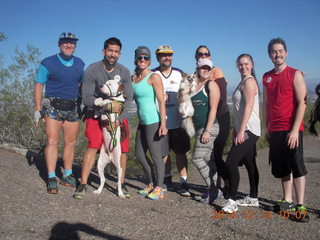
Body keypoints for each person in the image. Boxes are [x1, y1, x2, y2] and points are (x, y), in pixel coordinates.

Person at [73, 37, 133, 199]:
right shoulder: (93, 70)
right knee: (93, 145)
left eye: (116, 51)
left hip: (118, 115)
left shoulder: (124, 71)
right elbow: (86, 97)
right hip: (95, 112)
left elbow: (129, 98)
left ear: (120, 53)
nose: (113, 54)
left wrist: (121, 117)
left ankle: (122, 183)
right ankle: (83, 184)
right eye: (110, 51)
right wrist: (106, 106)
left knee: (123, 148)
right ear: (104, 51)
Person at [263, 38, 309, 222]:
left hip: (291, 128)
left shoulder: (295, 74)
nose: (277, 54)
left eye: (280, 51)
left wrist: (295, 130)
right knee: (282, 167)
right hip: (275, 129)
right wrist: (266, 125)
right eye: (274, 52)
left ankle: (301, 206)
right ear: (269, 55)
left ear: (286, 53)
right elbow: (266, 103)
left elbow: (302, 103)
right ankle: (287, 200)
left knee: (297, 166)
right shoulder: (266, 77)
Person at [34, 32, 85, 194]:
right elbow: (39, 85)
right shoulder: (48, 62)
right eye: (66, 42)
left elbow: (83, 86)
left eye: (72, 43)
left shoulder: (80, 63)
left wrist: (85, 103)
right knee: (52, 142)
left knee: (71, 142)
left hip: (73, 108)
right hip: (53, 108)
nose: (69, 45)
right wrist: (37, 109)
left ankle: (67, 175)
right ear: (59, 43)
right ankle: (50, 178)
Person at [222, 54, 261, 213]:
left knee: (231, 162)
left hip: (249, 129)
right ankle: (253, 197)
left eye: (246, 64)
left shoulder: (249, 82)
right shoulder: (244, 82)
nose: (243, 66)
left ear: (251, 64)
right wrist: (236, 128)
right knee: (249, 163)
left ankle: (232, 200)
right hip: (246, 128)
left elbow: (249, 107)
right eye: (240, 64)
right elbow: (240, 108)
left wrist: (242, 130)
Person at [152, 45, 191, 197]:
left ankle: (183, 182)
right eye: (163, 55)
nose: (166, 57)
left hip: (178, 122)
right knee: (164, 153)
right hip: (160, 122)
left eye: (169, 55)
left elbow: (189, 91)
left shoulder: (179, 73)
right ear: (158, 58)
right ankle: (167, 180)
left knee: (180, 153)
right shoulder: (153, 74)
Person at [132, 46, 168, 200]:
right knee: (139, 155)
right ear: (136, 59)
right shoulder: (133, 77)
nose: (142, 60)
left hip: (153, 121)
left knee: (155, 155)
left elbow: (161, 102)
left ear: (150, 60)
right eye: (140, 58)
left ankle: (159, 188)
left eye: (146, 58)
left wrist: (163, 124)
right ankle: (152, 183)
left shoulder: (154, 77)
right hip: (142, 122)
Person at [195, 46, 230, 192]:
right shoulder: (196, 75)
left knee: (216, 154)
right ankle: (217, 188)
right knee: (210, 156)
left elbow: (219, 99)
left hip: (219, 117)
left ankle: (227, 186)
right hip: (205, 120)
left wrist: (208, 128)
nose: (203, 56)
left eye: (206, 54)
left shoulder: (215, 72)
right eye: (200, 54)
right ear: (196, 57)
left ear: (210, 56)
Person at [191, 58, 224, 204]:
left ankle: (213, 190)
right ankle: (217, 190)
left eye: (208, 68)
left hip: (209, 127)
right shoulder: (194, 86)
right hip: (199, 128)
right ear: (197, 69)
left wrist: (207, 131)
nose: (205, 70)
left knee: (197, 158)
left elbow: (213, 109)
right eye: (202, 67)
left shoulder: (211, 84)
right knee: (206, 160)